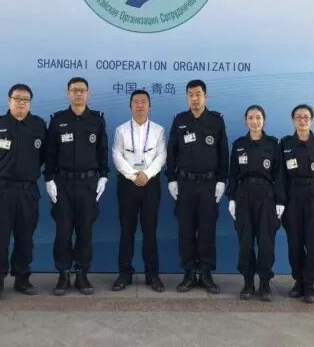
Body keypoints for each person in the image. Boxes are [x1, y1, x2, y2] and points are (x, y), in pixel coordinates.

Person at [0, 84, 47, 301]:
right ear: (9, 100)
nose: (21, 103)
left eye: (25, 99)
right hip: (1, 191)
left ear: (30, 103)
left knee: (25, 237)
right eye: (17, 98)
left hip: (27, 192)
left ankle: (22, 278)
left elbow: (44, 156)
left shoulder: (38, 125)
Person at [46, 77, 108, 296]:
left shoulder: (97, 120)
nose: (78, 94)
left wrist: (104, 176)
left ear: (88, 93)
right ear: (68, 93)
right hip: (62, 184)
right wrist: (49, 179)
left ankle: (82, 274)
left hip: (88, 185)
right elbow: (50, 152)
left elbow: (102, 150)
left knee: (85, 232)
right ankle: (63, 274)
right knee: (63, 233)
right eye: (74, 90)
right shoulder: (58, 120)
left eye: (82, 90)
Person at [166, 79, 229, 294]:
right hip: (185, 184)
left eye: (198, 94)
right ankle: (189, 273)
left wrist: (222, 180)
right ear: (187, 97)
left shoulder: (216, 120)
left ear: (205, 96)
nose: (195, 98)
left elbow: (223, 152)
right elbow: (172, 152)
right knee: (186, 230)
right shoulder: (180, 120)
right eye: (191, 95)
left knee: (206, 231)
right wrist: (171, 179)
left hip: (209, 185)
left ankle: (206, 274)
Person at [227, 105, 285, 301]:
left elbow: (279, 174)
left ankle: (265, 283)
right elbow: (233, 173)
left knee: (266, 243)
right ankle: (248, 282)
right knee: (245, 242)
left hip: (266, 196)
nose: (255, 121)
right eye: (251, 117)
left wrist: (280, 201)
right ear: (246, 121)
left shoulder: (273, 144)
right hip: (244, 196)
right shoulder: (239, 144)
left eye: (258, 117)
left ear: (264, 120)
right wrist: (231, 198)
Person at [111, 90, 167, 292]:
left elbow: (162, 156)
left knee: (150, 230)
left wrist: (147, 174)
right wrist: (133, 175)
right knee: (127, 229)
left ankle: (152, 275)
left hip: (151, 184)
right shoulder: (121, 130)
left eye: (144, 102)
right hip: (128, 184)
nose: (140, 105)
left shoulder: (158, 130)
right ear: (130, 106)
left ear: (150, 106)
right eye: (136, 102)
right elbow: (116, 155)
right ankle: (124, 273)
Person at [278, 104, 314, 303]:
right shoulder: (285, 144)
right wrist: (281, 200)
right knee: (295, 243)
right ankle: (298, 281)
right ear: (293, 120)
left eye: (306, 117)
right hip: (293, 197)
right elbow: (280, 175)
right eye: (298, 117)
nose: (302, 120)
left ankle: (310, 284)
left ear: (312, 120)